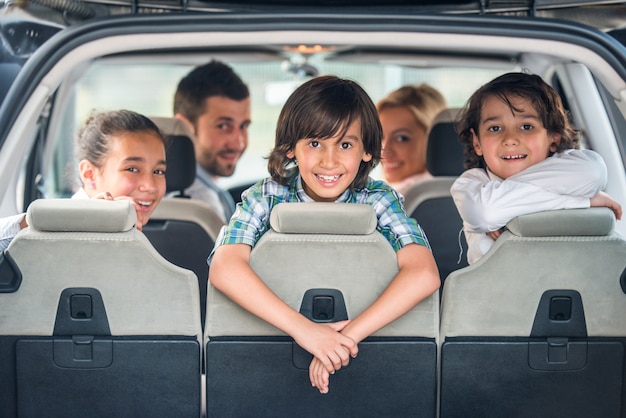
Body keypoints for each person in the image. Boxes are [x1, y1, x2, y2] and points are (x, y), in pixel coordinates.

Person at [209, 75, 440, 394]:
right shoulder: (266, 196)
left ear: (367, 152)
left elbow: (424, 274)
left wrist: (342, 340)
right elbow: (224, 267)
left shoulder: (378, 199)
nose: (329, 161)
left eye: (345, 144)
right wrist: (306, 332)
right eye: (315, 143)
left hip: (365, 362)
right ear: (291, 148)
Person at [451, 72, 622, 265]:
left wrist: (506, 210)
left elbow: (593, 172)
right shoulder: (470, 184)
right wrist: (581, 201)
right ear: (477, 142)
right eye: (495, 128)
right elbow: (486, 213)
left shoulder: (570, 164)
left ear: (554, 136)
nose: (510, 140)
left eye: (526, 126)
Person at [0, 109, 167, 252]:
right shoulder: (47, 230)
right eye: (132, 169)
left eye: (158, 171)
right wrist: (75, 217)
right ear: (89, 174)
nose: (150, 186)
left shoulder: (146, 238)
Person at [173, 60, 251, 222]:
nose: (238, 144)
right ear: (185, 126)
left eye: (243, 126)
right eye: (223, 126)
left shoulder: (208, 190)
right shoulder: (202, 205)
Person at [376, 84, 447, 195]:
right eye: (379, 137)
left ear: (434, 140)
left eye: (401, 138)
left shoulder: (398, 201)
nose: (384, 151)